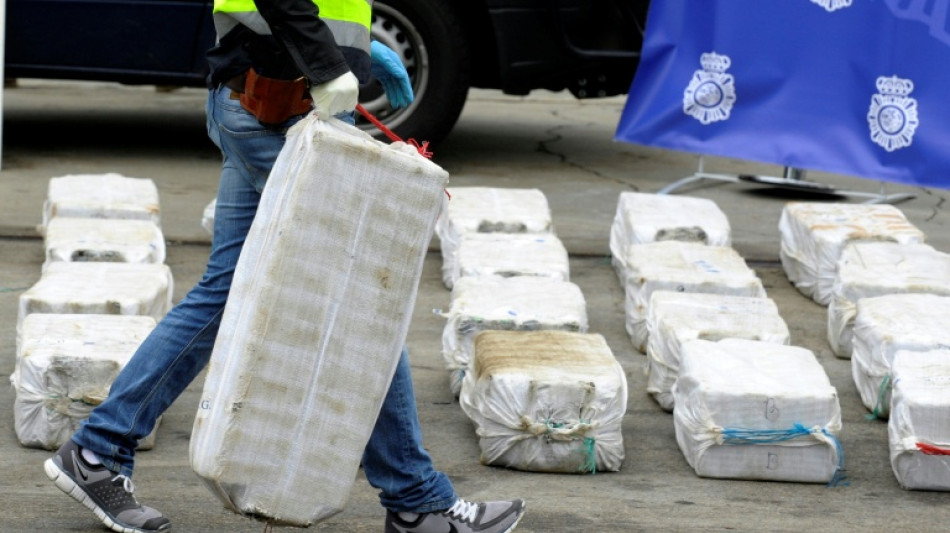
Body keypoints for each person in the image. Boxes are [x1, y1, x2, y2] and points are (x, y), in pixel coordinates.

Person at [42, 0, 527, 531]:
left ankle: (97, 451)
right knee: (365, 303)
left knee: (224, 293)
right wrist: (326, 61)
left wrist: (356, 48)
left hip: (262, 100)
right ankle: (417, 501)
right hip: (279, 108)